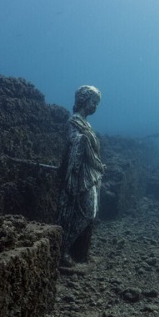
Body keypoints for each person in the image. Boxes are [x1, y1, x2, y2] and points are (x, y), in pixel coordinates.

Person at [57, 85, 104, 266]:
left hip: (89, 172)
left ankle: (77, 252)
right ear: (85, 101)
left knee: (90, 211)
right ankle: (63, 249)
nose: (95, 107)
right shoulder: (73, 122)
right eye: (94, 102)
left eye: (97, 103)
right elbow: (73, 141)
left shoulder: (86, 124)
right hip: (79, 174)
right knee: (86, 212)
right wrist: (82, 139)